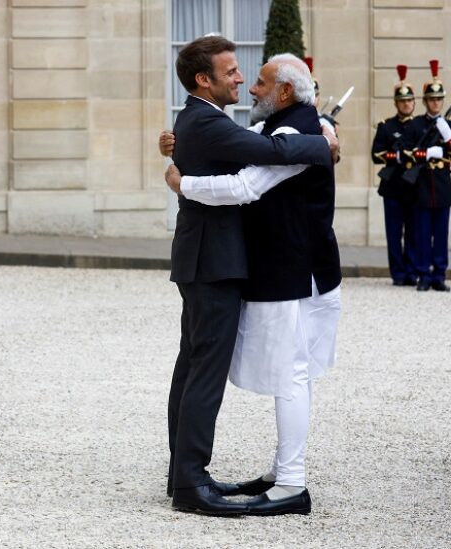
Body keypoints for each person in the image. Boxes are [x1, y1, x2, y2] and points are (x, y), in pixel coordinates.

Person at [162, 36, 337, 516]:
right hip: (213, 264)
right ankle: (191, 486)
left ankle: (184, 474)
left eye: (248, 74)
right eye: (232, 71)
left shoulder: (197, 117)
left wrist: (317, 118)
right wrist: (323, 140)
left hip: (203, 260)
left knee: (191, 368)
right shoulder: (208, 121)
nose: (241, 79)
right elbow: (268, 151)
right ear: (204, 79)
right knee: (204, 374)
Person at [397, 60, 451, 292]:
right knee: (421, 233)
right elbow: (404, 151)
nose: (436, 102)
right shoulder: (416, 124)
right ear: (425, 101)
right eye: (432, 99)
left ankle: (439, 274)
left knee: (440, 234)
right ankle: (422, 274)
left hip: (442, 186)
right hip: (421, 185)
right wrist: (425, 153)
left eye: (439, 99)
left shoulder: (448, 125)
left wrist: (447, 139)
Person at [371, 65, 418, 286]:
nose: (406, 104)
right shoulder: (386, 127)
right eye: (402, 101)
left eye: (409, 101)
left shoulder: (421, 127)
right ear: (396, 103)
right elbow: (376, 154)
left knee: (414, 232)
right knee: (393, 233)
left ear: (414, 102)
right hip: (392, 187)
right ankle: (398, 274)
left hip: (415, 187)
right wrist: (398, 156)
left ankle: (411, 271)